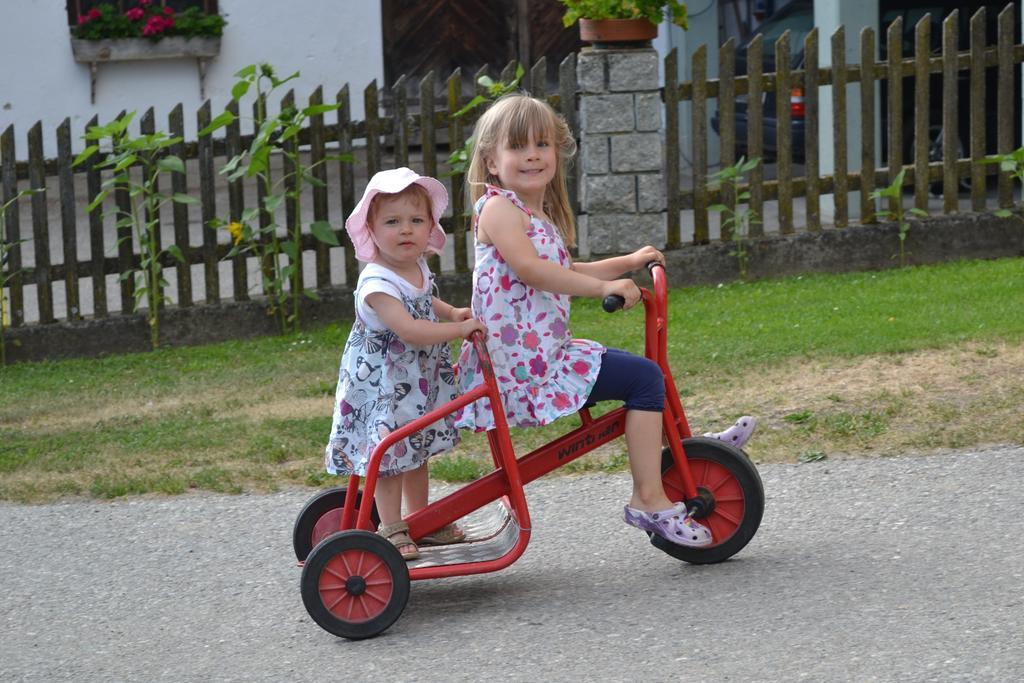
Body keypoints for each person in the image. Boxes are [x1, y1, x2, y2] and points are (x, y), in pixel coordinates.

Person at [454, 94, 755, 549]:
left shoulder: (535, 214)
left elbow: (566, 272)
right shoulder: (498, 210)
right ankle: (650, 497)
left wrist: (627, 263)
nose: (533, 155)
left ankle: (682, 450)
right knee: (644, 379)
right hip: (523, 368)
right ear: (492, 162)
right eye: (518, 147)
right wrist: (602, 290)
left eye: (542, 144)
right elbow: (532, 271)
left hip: (543, 354)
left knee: (642, 375)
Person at [325, 167, 486, 561]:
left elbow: (425, 300)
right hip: (384, 385)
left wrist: (451, 312)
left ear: (430, 227)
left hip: (416, 381)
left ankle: (422, 519)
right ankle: (391, 527)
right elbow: (410, 329)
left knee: (418, 449)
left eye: (417, 221)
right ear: (372, 230)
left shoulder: (414, 267)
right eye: (393, 222)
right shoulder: (377, 282)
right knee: (391, 455)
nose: (406, 230)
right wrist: (459, 329)